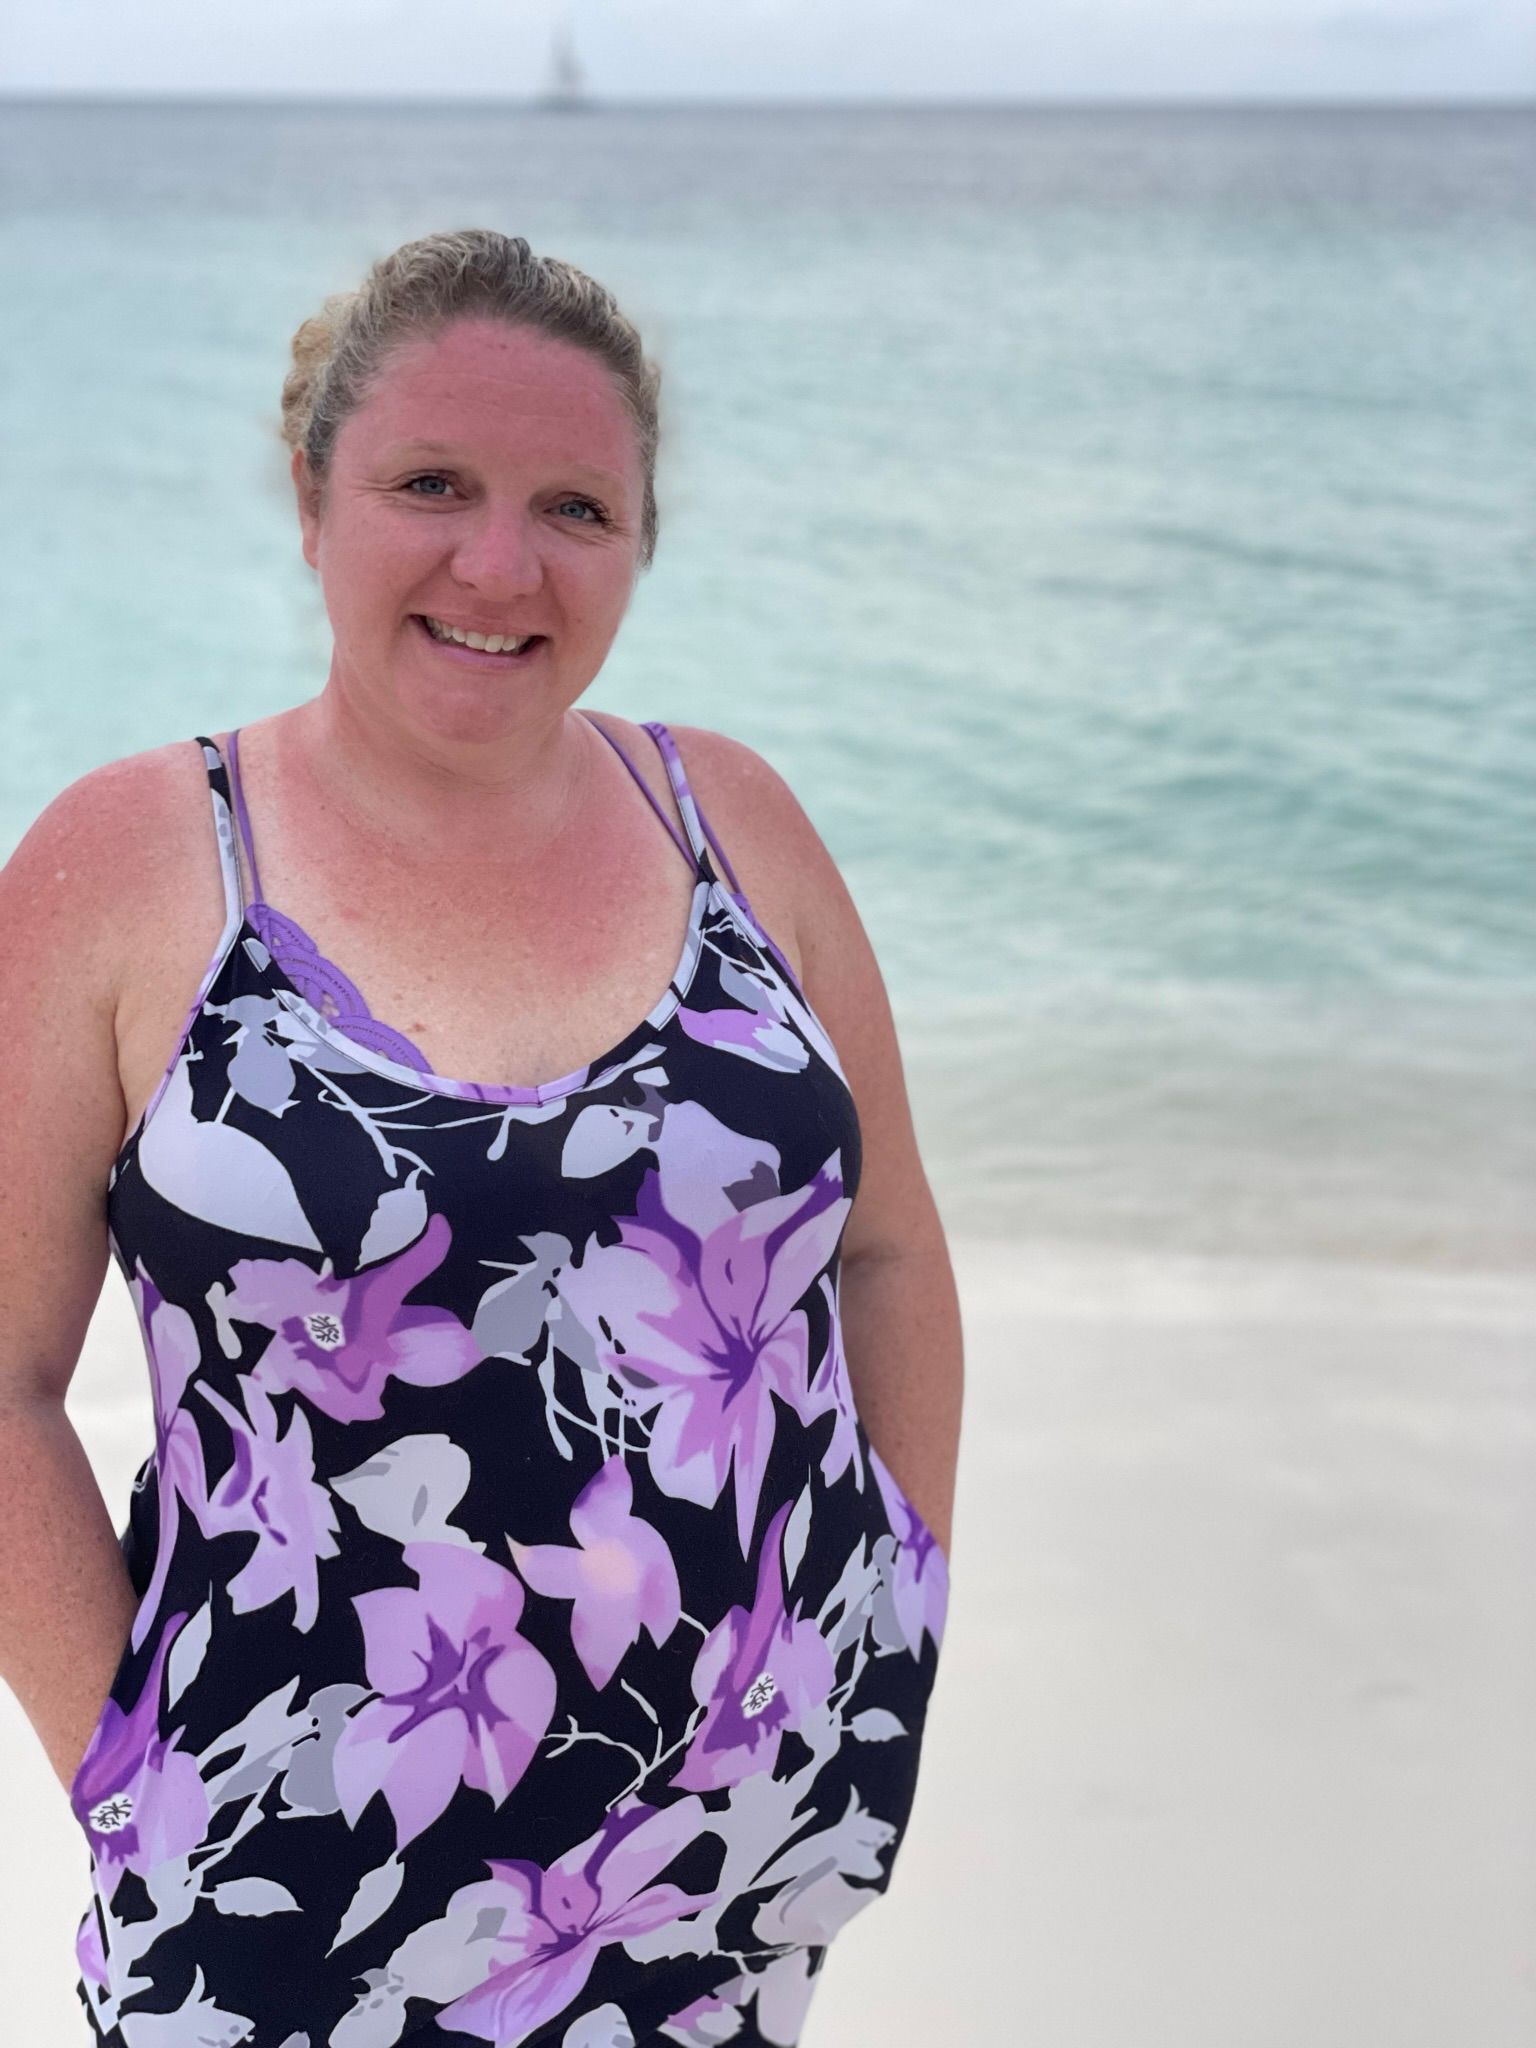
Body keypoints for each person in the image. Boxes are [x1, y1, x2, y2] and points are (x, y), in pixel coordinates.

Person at [0, 228, 963, 2047]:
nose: (499, 563)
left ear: (639, 542)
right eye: (430, 483)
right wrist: (131, 1780)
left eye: (576, 507)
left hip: (726, 1855)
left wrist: (892, 1602)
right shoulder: (127, 864)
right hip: (288, 1881)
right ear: (312, 498)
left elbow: (894, 1248)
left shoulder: (729, 814)